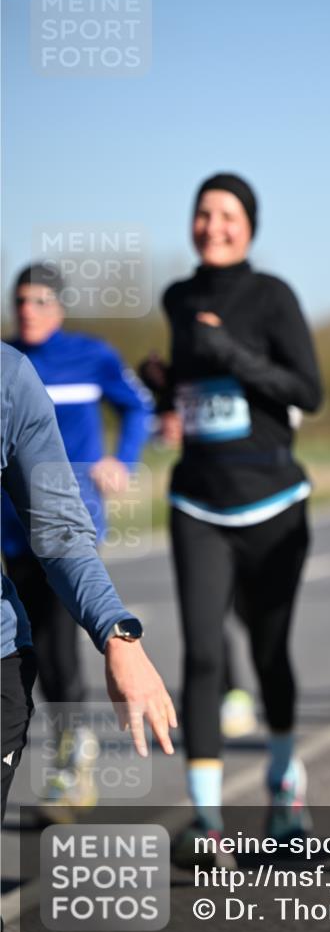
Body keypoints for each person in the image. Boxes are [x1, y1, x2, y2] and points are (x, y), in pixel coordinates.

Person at [143, 173, 322, 861]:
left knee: (270, 650)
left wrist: (234, 356)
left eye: (226, 214)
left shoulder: (271, 297)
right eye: (202, 213)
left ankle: (283, 786)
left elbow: (307, 390)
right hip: (197, 500)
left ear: (249, 224)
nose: (212, 225)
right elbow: (198, 393)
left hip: (273, 500)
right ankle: (208, 818)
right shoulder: (178, 297)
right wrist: (167, 391)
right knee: (203, 651)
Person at [0, 342, 176, 824]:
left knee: (58, 653)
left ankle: (72, 756)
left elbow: (58, 525)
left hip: (2, 658)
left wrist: (118, 634)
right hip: (14, 547)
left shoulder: (10, 375)